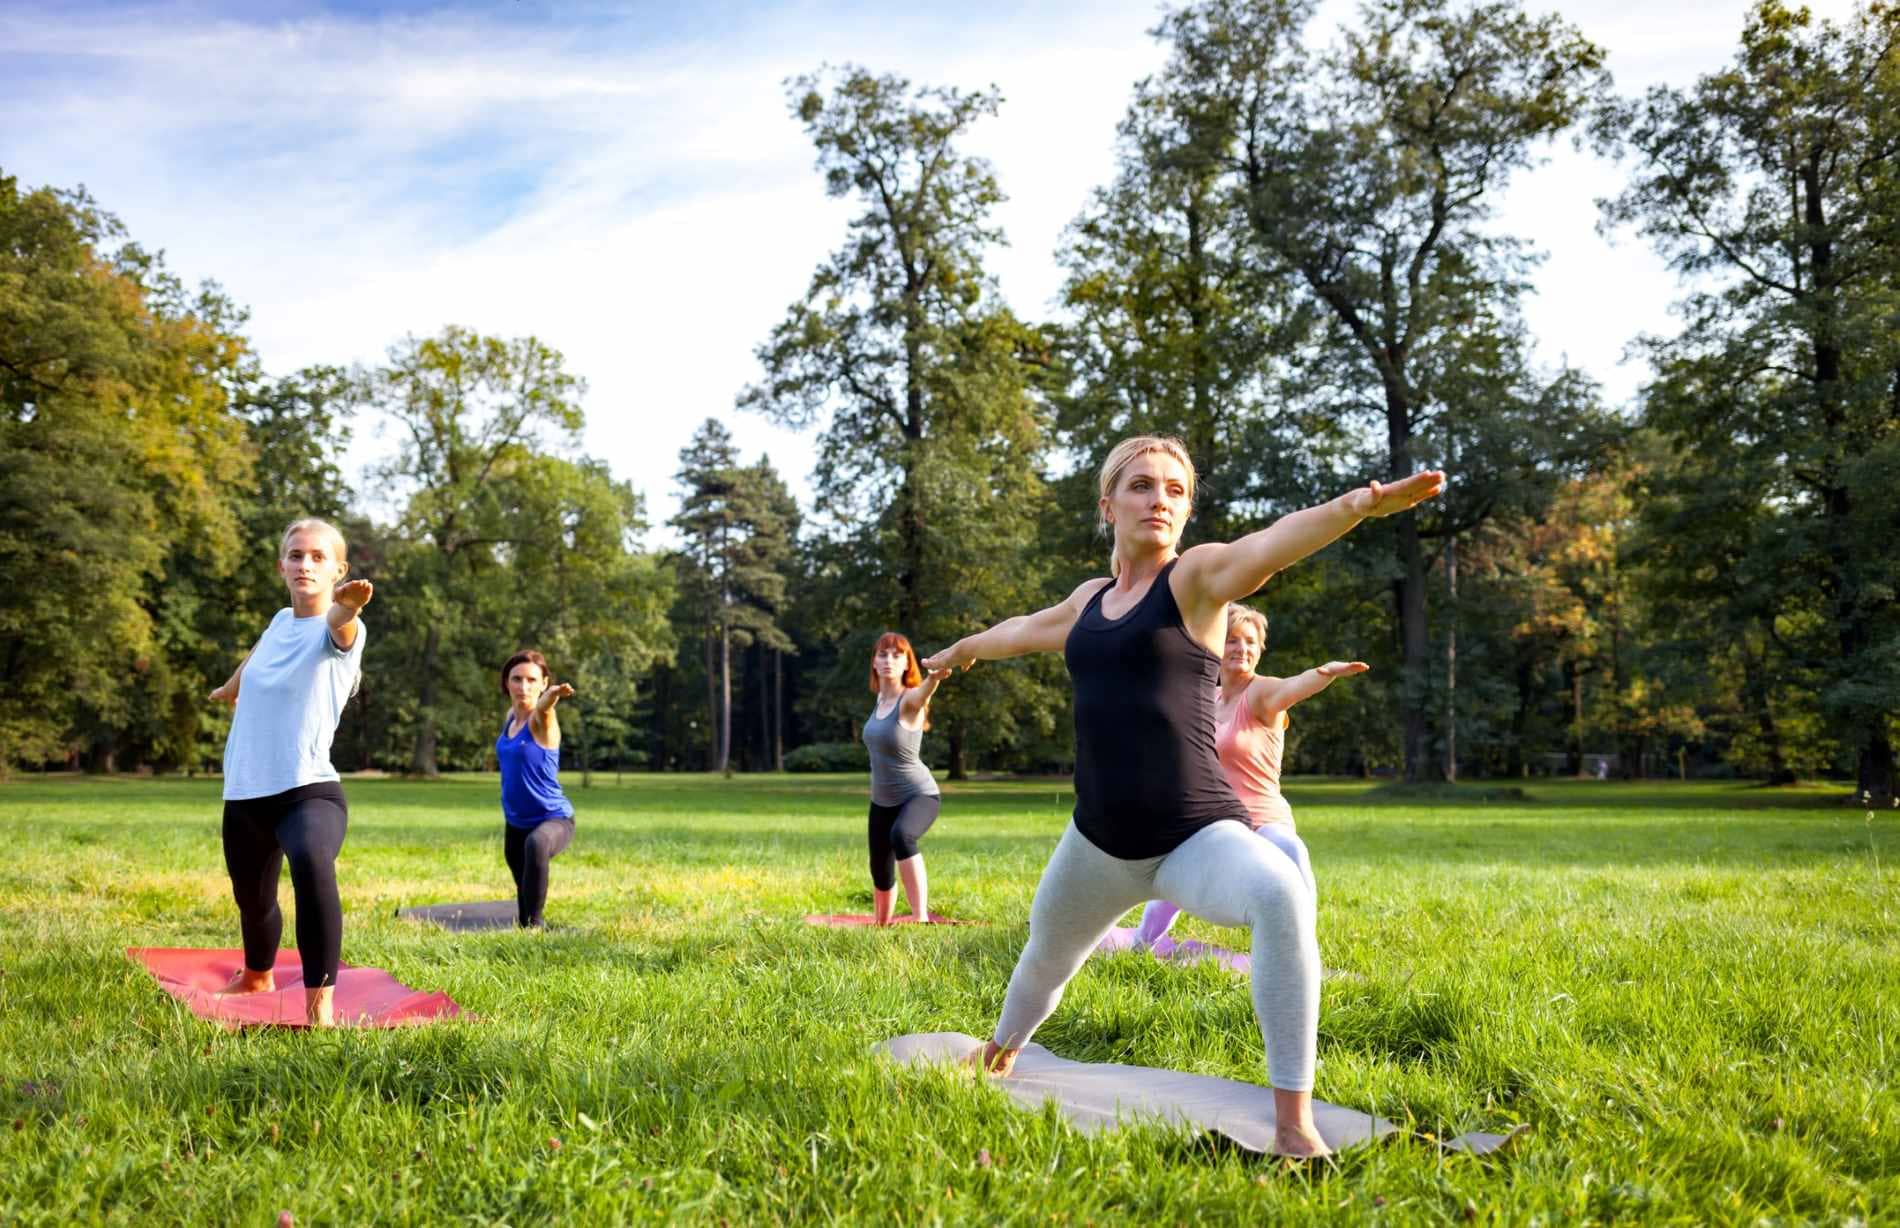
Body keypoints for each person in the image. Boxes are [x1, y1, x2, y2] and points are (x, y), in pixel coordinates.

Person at [923, 435, 1442, 1158]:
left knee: (1280, 894)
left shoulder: (1194, 581)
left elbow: (1270, 547)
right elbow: (1019, 631)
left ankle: (1293, 1124)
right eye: (1141, 485)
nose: (1159, 500)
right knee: (1045, 957)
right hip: (1097, 842)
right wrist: (962, 651)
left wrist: (1356, 507)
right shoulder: (1088, 602)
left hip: (1195, 832)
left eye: (1175, 490)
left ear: (1187, 509)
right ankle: (1001, 1052)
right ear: (1108, 505)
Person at [1127, 602, 1367, 952]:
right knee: (1174, 871)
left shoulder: (1262, 693)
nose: (1242, 648)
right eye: (1232, 640)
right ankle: (1143, 944)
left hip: (1262, 819)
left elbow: (1293, 687)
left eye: (1251, 642)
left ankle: (1302, 948)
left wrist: (1325, 672)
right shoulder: (1205, 698)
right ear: (1214, 645)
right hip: (1214, 820)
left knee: (1289, 848)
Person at [207, 518, 371, 1027]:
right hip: (246, 791)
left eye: (319, 557)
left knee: (311, 863)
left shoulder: (341, 628)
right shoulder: (280, 621)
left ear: (338, 569)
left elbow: (338, 624)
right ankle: (258, 975)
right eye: (296, 555)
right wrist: (230, 687)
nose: (305, 564)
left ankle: (319, 1009)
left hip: (308, 791)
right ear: (282, 566)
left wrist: (348, 606)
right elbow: (259, 654)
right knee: (253, 901)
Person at [863, 633, 949, 924]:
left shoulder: (909, 700)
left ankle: (920, 919)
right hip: (881, 800)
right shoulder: (880, 700)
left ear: (907, 664)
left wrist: (933, 679)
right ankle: (881, 926)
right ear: (874, 662)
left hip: (919, 795)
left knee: (902, 836)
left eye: (897, 655)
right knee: (879, 867)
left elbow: (923, 694)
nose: (889, 660)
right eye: (883, 654)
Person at [496, 649, 577, 929]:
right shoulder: (511, 717)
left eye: (532, 680)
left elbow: (543, 708)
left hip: (553, 818)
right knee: (524, 899)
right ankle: (527, 927)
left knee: (537, 843)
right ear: (506, 682)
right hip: (515, 823)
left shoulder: (542, 721)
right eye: (517, 679)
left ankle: (535, 930)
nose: (524, 686)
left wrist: (551, 696)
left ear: (543, 683)